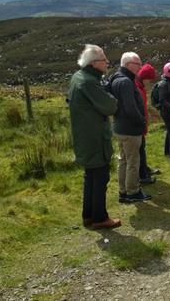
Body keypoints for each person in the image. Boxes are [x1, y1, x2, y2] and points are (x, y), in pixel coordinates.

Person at [68, 44, 120, 229]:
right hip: (95, 138)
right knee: (100, 178)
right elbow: (110, 106)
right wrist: (112, 98)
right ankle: (100, 218)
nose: (107, 63)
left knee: (90, 177)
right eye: (104, 60)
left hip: (84, 137)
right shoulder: (89, 81)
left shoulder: (77, 77)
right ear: (94, 63)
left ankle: (88, 216)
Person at [107, 52, 151, 203]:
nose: (140, 66)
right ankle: (132, 192)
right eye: (137, 63)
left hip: (119, 126)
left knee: (123, 160)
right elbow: (131, 108)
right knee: (133, 161)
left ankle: (123, 191)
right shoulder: (126, 81)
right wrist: (142, 122)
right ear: (127, 64)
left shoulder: (116, 78)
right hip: (130, 129)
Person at [134, 63, 160, 184]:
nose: (150, 83)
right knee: (139, 150)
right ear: (144, 77)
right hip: (137, 125)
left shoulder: (141, 87)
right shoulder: (137, 88)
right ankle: (142, 175)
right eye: (149, 80)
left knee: (142, 148)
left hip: (141, 124)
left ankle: (145, 169)